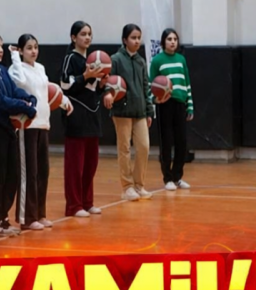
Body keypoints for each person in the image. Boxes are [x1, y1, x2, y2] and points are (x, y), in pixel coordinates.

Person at [9, 33, 73, 230]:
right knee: (29, 173)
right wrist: (14, 57)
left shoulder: (41, 68)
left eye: (35, 47)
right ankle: (27, 218)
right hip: (27, 126)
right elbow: (20, 82)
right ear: (21, 50)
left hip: (43, 124)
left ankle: (40, 213)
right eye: (29, 48)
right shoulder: (16, 68)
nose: (33, 51)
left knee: (42, 172)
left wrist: (63, 100)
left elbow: (47, 91)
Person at [0, 31, 38, 237]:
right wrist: (25, 107)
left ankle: (3, 218)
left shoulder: (2, 70)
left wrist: (30, 98)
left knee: (12, 175)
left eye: (1, 46)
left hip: (9, 130)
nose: (1, 50)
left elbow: (14, 91)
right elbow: (1, 101)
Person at [59, 21, 109, 218]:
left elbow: (92, 90)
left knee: (90, 164)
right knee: (75, 166)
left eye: (89, 34)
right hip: (76, 116)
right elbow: (65, 85)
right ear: (73, 38)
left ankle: (87, 202)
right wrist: (85, 75)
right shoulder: (70, 58)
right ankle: (74, 205)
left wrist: (102, 85)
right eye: (83, 34)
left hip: (92, 116)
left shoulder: (93, 60)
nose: (87, 37)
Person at [109, 24, 155, 201]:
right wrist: (110, 95)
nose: (137, 41)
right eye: (133, 38)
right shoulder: (115, 60)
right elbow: (109, 84)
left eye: (138, 38)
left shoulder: (141, 61)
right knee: (124, 149)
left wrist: (149, 111)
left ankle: (139, 185)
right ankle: (127, 187)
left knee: (144, 147)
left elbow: (146, 87)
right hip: (122, 111)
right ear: (124, 40)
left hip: (140, 111)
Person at [150, 28, 195, 190]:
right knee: (166, 142)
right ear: (163, 42)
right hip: (164, 105)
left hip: (180, 104)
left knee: (181, 142)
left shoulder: (181, 59)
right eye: (169, 39)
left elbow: (187, 83)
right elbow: (151, 84)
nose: (172, 42)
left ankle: (177, 177)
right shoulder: (157, 60)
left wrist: (190, 106)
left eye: (175, 39)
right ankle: (167, 178)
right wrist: (154, 99)